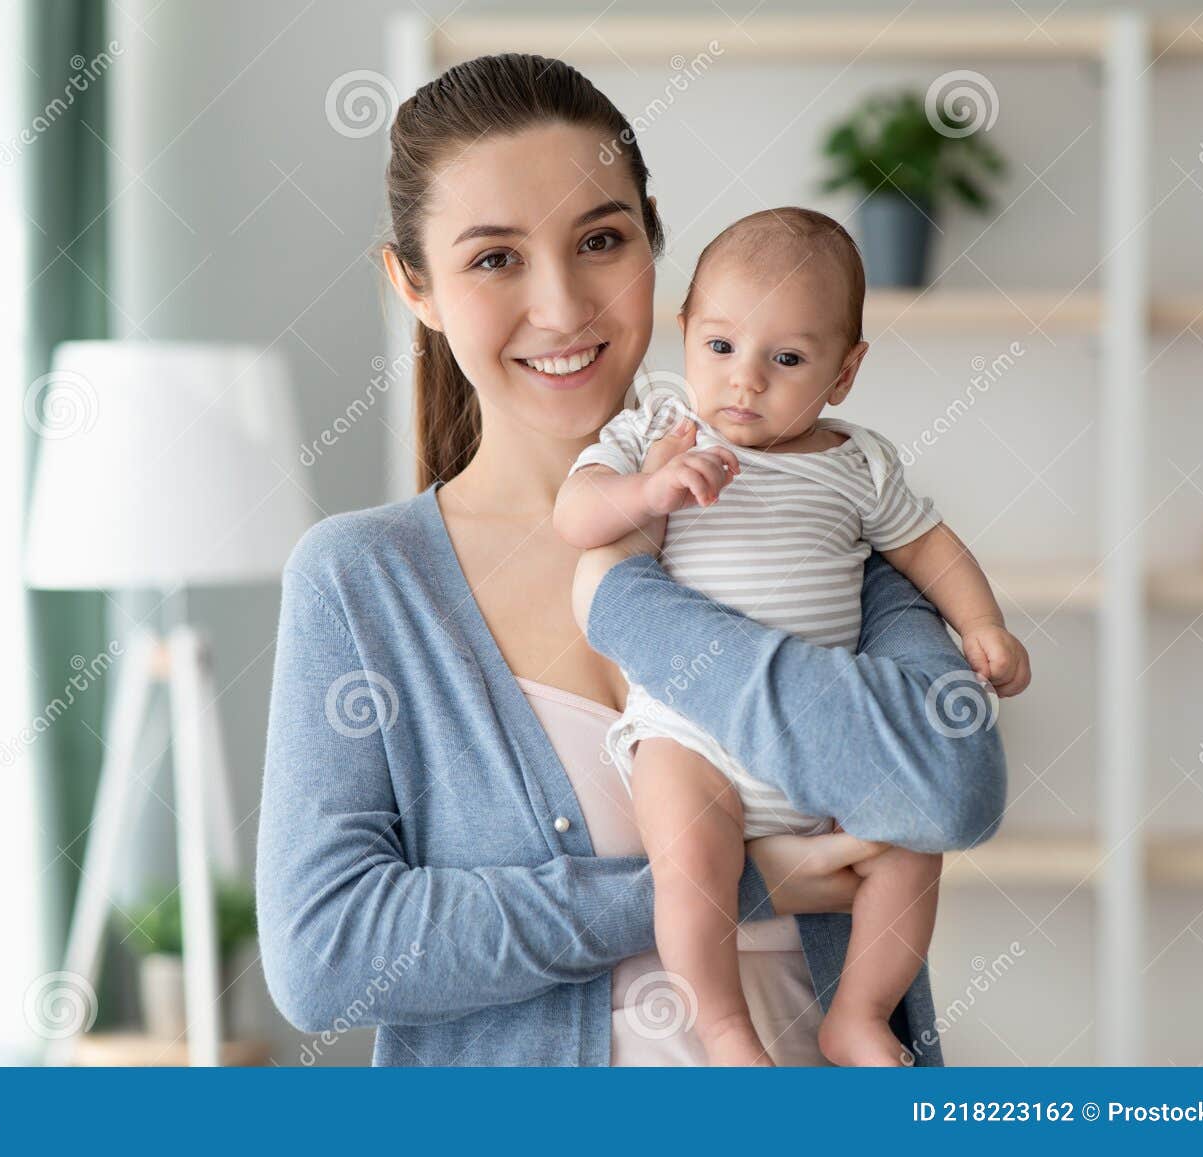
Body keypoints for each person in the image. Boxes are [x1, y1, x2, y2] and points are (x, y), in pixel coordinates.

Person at [257, 52, 1006, 1067]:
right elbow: (328, 952)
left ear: (653, 240)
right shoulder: (364, 580)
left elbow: (950, 788)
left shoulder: (816, 517)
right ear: (413, 285)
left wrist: (628, 602)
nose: (563, 307)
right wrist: (740, 877)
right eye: (493, 259)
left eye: (600, 239)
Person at [554, 206, 1030, 1066]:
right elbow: (575, 510)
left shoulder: (858, 463)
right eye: (722, 348)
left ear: (843, 374)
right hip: (690, 733)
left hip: (824, 745)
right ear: (686, 334)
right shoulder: (662, 431)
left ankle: (858, 1011)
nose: (746, 381)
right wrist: (647, 496)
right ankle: (728, 1030)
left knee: (912, 849)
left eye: (788, 360)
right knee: (690, 859)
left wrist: (982, 624)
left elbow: (929, 547)